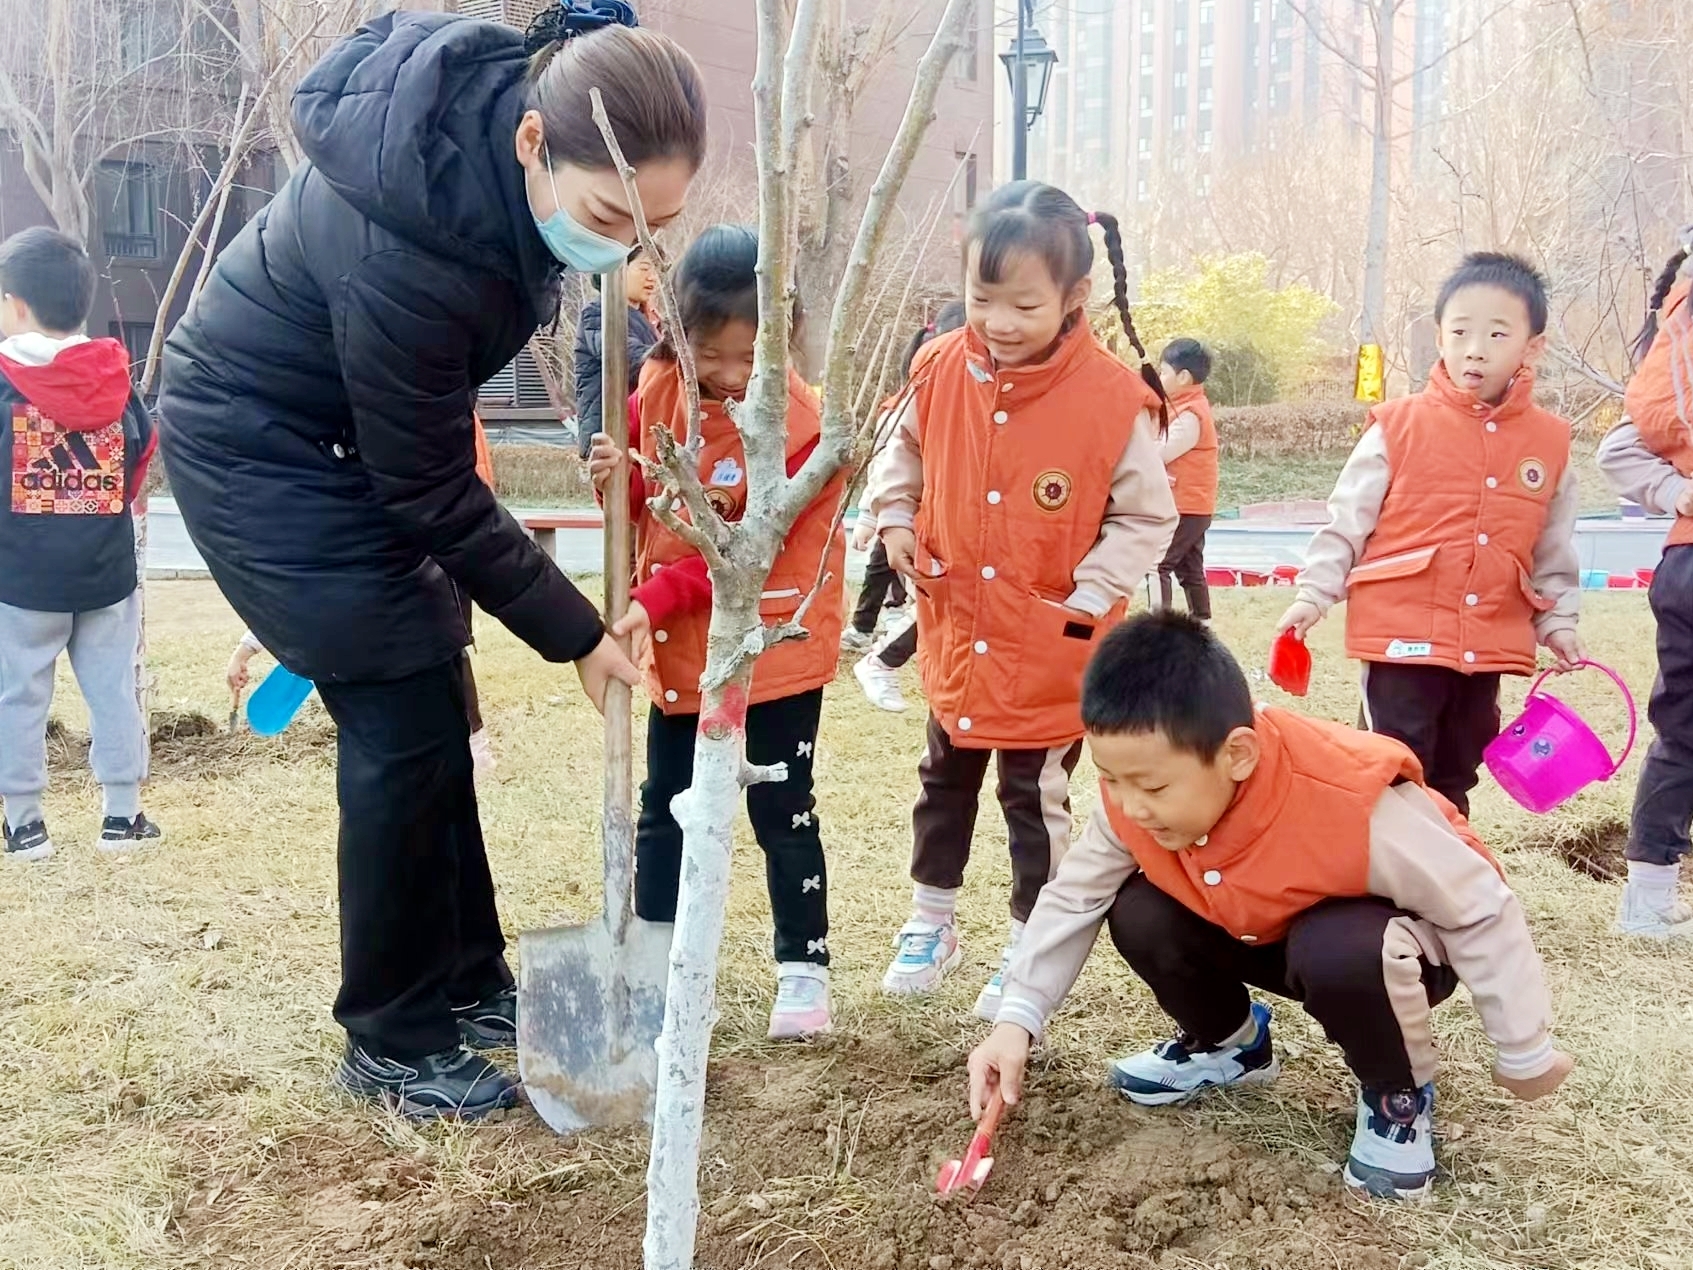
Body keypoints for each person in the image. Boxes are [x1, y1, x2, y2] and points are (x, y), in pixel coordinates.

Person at [156, 2, 707, 1120]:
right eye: (610, 216)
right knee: (399, 715)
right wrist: (575, 632)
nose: (628, 248)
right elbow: (429, 488)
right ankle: (391, 1035)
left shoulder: (494, 169)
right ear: (531, 144)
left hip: (342, 436)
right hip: (259, 447)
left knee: (431, 690)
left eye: (655, 225)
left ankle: (464, 979)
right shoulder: (408, 248)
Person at [968, 613, 1574, 1202]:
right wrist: (1016, 1021)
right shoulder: (1133, 801)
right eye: (1111, 779)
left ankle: (1397, 1096)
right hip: (1260, 928)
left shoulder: (1353, 803)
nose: (1133, 806)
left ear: (1238, 754)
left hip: (1387, 951)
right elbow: (1075, 896)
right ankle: (1232, 1046)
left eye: (1152, 787)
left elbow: (1480, 906)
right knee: (1138, 909)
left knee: (1339, 948)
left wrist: (1522, 1047)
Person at [869, 181, 1179, 1019]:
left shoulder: (1112, 398)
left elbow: (1146, 515)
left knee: (1032, 801)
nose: (998, 322)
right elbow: (903, 451)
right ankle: (931, 920)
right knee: (941, 780)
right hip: (956, 624)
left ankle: (1026, 943)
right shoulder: (938, 366)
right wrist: (895, 517)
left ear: (1075, 296)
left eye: (1024, 304)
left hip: (1049, 641)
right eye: (982, 299)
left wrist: (1088, 591)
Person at [588, 225, 846, 1038]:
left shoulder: (802, 427)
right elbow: (645, 510)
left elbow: (743, 552)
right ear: (672, 328)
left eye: (750, 356)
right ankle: (655, 966)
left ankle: (802, 968)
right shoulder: (655, 389)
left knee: (781, 806)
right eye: (711, 354)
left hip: (774, 650)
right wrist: (615, 484)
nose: (732, 375)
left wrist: (653, 600)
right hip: (681, 657)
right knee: (664, 808)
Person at [1276, 252, 1583, 816]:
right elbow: (1347, 520)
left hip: (1487, 639)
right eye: (1460, 332)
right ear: (1439, 336)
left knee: (1460, 765)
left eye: (1497, 334)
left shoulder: (1549, 443)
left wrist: (1557, 621)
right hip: (1401, 636)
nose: (1475, 349)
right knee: (1395, 762)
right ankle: (1384, 866)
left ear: (1532, 346)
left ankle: (1448, 859)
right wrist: (1314, 593)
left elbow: (1552, 549)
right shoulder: (1398, 425)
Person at [0, 228, 162, 861]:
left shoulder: (5, 382)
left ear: (15, 305)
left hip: (20, 578)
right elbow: (139, 458)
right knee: (113, 689)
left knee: (18, 695)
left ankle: (25, 825)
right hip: (105, 573)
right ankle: (123, 816)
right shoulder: (114, 380)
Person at [227, 414, 502, 779]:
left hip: (438, 541)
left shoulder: (418, 417)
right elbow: (312, 568)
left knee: (442, 650)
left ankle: (471, 747)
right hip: (400, 552)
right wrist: (248, 646)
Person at [1595, 235, 1693, 937]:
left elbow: (1619, 448)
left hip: (1684, 564)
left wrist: (1677, 493)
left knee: (1681, 735)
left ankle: (1648, 901)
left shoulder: (1672, 353)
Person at [851, 303, 967, 711]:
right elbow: (888, 465)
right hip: (921, 522)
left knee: (942, 606)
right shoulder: (912, 404)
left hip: (950, 521)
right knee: (937, 602)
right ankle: (879, 661)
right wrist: (873, 517)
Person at [1154, 337, 1218, 623]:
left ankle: (1157, 627)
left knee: (1158, 564)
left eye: (1163, 372)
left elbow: (1161, 453)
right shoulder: (1182, 406)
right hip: (1194, 505)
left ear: (1183, 377)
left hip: (1185, 504)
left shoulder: (1190, 414)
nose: (1159, 378)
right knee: (1190, 568)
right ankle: (1202, 622)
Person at [574, 244, 659, 457]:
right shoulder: (597, 312)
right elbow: (624, 356)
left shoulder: (649, 319)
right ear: (618, 269)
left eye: (656, 269)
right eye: (644, 268)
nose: (652, 277)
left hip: (638, 429)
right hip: (609, 435)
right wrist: (668, 357)